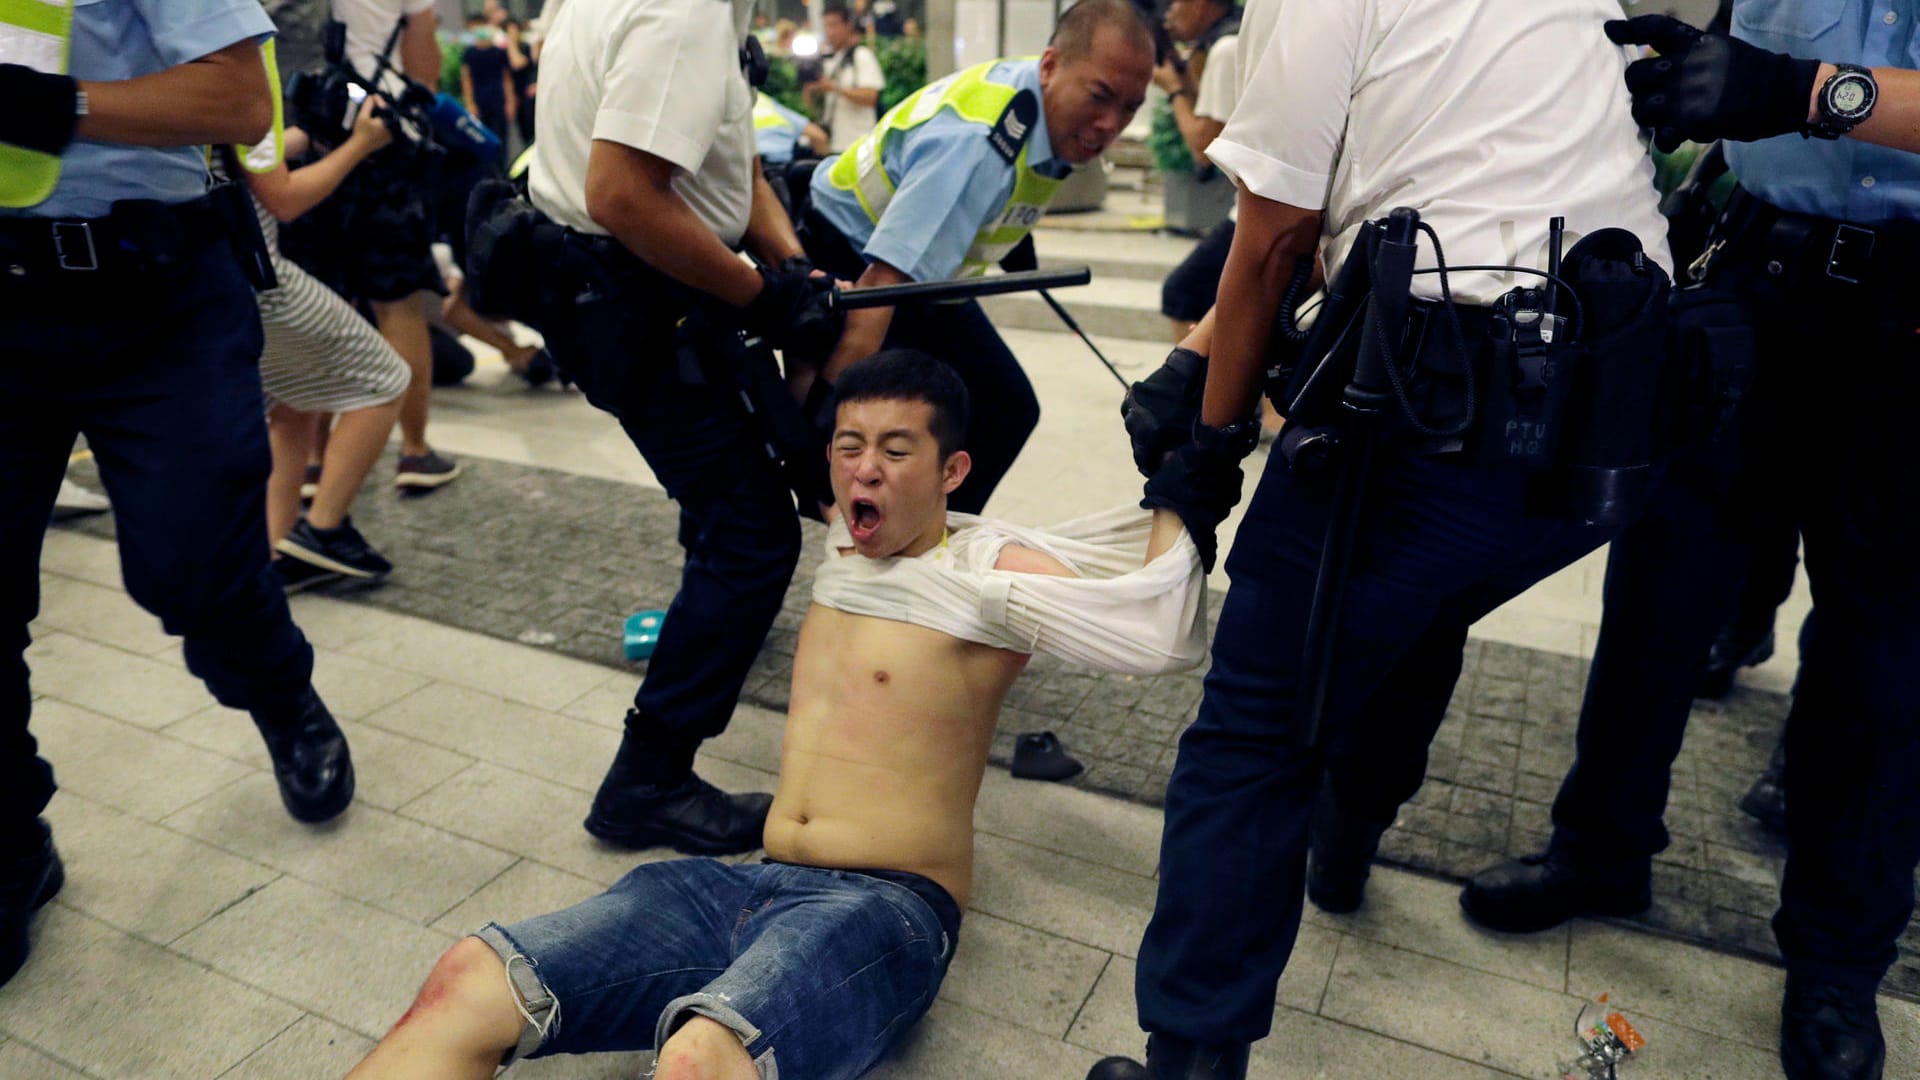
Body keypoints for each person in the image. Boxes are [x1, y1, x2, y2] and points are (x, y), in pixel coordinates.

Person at [343, 349, 1206, 1080]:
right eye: (850, 446)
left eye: (896, 451)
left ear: (953, 472)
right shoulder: (844, 534)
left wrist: (1183, 477)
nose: (864, 469)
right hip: (736, 881)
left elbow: (1157, 631)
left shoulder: (985, 569)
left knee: (698, 1058)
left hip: (883, 908)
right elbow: (772, 442)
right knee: (468, 975)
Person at [1096, 0, 1674, 1075]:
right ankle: (1350, 833)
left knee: (1254, 735)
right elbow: (1389, 215)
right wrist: (1196, 366)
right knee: (1419, 603)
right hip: (1616, 408)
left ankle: (1189, 1060)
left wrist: (1213, 446)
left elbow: (1272, 244)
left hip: (1449, 398)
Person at [1459, 10, 1920, 1079]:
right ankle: (1602, 849)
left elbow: (1784, 82)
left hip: (1909, 312)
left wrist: (1805, 93)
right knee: (1663, 584)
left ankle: (1838, 962)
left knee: (1881, 650)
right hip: (1754, 264)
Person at [0, 2, 357, 985]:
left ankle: (281, 693)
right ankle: (11, 844)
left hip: (154, 291)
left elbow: (239, 96)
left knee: (191, 570)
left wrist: (42, 105)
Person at [505, 0, 845, 855]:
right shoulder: (686, 12)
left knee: (724, 506)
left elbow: (727, 168)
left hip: (628, 292)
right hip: (634, 301)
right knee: (752, 531)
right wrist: (761, 295)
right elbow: (621, 193)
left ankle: (673, 715)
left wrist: (789, 264)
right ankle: (647, 780)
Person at [798, 0, 1156, 513]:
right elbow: (879, 293)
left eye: (1130, 107)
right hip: (852, 257)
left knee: (1003, 405)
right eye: (1100, 96)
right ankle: (907, 540)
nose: (1110, 124)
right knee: (982, 409)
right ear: (1051, 65)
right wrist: (815, 441)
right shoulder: (979, 149)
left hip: (925, 270)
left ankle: (933, 541)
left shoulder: (1040, 104)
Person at [224, 88, 412, 588]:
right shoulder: (231, 63)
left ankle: (276, 551)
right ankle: (323, 530)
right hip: (262, 281)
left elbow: (233, 153)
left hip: (217, 282)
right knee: (388, 379)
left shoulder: (174, 74)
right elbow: (284, 199)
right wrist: (362, 144)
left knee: (293, 406)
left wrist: (304, 137)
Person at [281, 0, 462, 492]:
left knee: (317, 301)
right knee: (399, 305)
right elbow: (423, 68)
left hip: (303, 134)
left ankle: (314, 460)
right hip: (377, 137)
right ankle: (415, 451)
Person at [1152, 0, 1239, 341]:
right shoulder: (1238, 38)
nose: (1169, 12)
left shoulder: (1226, 50)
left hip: (1259, 210)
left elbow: (1205, 147)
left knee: (1182, 293)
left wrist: (1173, 89)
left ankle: (1199, 393)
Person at [806, 1, 885, 155]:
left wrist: (835, 89)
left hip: (858, 144)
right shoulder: (825, 60)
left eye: (834, 25)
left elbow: (871, 97)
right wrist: (810, 89)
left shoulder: (861, 56)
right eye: (826, 26)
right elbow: (811, 107)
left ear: (848, 25)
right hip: (831, 144)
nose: (830, 31)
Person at [461, 16, 515, 144]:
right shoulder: (469, 53)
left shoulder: (499, 52)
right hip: (479, 100)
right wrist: (470, 103)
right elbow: (466, 79)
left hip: (498, 99)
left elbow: (507, 78)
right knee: (482, 137)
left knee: (502, 138)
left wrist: (510, 101)